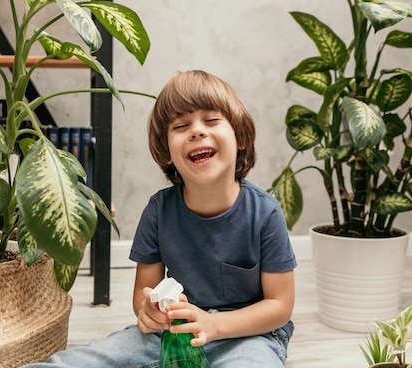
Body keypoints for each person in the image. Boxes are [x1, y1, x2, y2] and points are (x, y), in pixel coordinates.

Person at [23, 70, 297, 367]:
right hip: (172, 332)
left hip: (248, 336)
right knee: (86, 361)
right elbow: (144, 294)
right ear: (167, 152)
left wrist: (214, 325)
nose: (196, 131)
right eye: (181, 125)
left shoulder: (265, 213)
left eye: (211, 120)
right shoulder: (158, 211)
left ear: (240, 137)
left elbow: (279, 306)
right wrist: (149, 311)